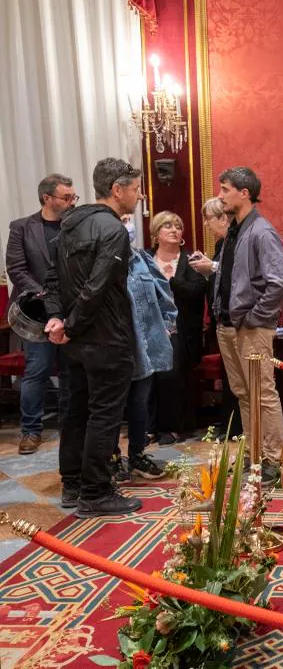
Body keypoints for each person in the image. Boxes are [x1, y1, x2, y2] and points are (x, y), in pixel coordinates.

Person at [42, 158, 141, 517]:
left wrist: (59, 319)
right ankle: (96, 493)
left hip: (76, 341)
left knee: (76, 411)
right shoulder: (113, 230)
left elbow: (52, 279)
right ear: (117, 190)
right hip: (105, 338)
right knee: (104, 415)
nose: (139, 195)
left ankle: (73, 484)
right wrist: (70, 323)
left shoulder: (69, 223)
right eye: (135, 188)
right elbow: (96, 289)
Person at [210, 167, 283, 487]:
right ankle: (254, 452)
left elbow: (280, 283)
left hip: (250, 327)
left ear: (245, 193)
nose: (220, 195)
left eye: (226, 189)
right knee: (244, 392)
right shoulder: (234, 229)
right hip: (228, 325)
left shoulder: (261, 231)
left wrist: (256, 317)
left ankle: (273, 458)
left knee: (263, 393)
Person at [6, 174, 76, 454]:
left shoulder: (76, 226)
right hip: (37, 313)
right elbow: (16, 268)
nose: (72, 202)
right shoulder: (22, 227)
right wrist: (44, 294)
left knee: (72, 370)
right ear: (47, 198)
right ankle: (31, 431)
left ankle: (70, 426)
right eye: (66, 197)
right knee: (37, 370)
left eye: (74, 197)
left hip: (71, 311)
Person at [114, 212, 176, 481]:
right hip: (114, 347)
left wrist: (165, 324)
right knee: (113, 407)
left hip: (145, 347)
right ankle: (112, 458)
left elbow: (164, 293)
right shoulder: (103, 263)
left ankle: (137, 454)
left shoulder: (141, 259)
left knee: (140, 403)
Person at [149, 211, 207, 445]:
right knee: (147, 377)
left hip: (180, 330)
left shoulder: (191, 261)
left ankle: (172, 427)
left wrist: (172, 280)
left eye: (178, 226)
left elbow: (196, 292)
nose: (174, 230)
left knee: (171, 375)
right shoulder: (144, 260)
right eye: (167, 226)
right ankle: (148, 427)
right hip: (149, 328)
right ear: (156, 234)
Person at [189, 198, 240, 434]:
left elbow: (239, 275)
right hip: (222, 318)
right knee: (229, 377)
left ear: (222, 218)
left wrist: (213, 267)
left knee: (238, 380)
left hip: (237, 319)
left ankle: (236, 427)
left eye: (208, 219)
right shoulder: (222, 243)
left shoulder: (238, 240)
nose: (206, 225)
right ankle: (230, 425)